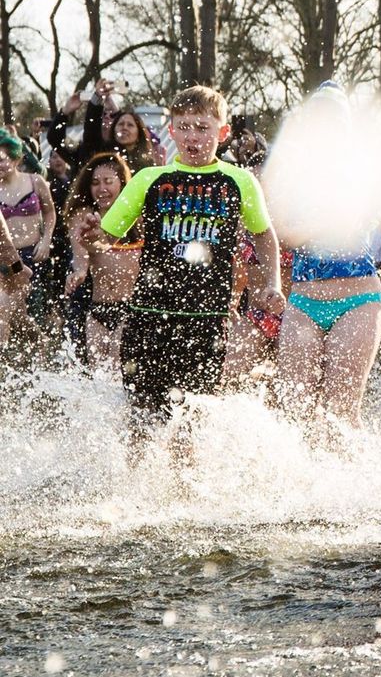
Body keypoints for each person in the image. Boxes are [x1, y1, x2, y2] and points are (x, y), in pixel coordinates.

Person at [95, 86, 284, 461]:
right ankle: (135, 495)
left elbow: (265, 235)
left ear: (222, 133)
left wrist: (273, 283)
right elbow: (108, 233)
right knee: (142, 417)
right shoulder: (148, 179)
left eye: (202, 127)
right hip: (148, 317)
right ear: (172, 130)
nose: (193, 136)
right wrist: (90, 240)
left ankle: (184, 498)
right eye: (184, 127)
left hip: (208, 320)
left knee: (191, 419)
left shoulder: (240, 182)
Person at [263, 86, 381, 432]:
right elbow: (284, 233)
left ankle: (354, 484)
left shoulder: (362, 167)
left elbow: (351, 225)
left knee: (341, 412)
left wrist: (315, 224)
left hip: (357, 301)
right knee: (293, 411)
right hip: (304, 303)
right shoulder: (289, 171)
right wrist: (325, 221)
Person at [62, 152, 138, 371]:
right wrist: (78, 273)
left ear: (122, 183)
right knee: (98, 375)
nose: (101, 188)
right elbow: (80, 256)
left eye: (108, 181)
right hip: (98, 308)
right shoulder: (84, 215)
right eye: (95, 183)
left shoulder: (136, 217)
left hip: (129, 309)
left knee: (116, 369)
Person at [0, 131, 56, 347]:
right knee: (8, 307)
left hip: (33, 252)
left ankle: (39, 347)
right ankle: (8, 354)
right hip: (8, 259)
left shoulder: (35, 181)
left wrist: (46, 240)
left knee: (32, 308)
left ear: (15, 159)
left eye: (2, 160)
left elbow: (50, 212)